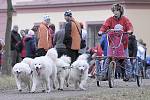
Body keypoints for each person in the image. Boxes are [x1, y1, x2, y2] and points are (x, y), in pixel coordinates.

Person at [98, 3, 134, 81]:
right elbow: (104, 26)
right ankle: (103, 75)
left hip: (123, 43)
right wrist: (101, 31)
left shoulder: (125, 19)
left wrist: (129, 31)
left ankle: (129, 75)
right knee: (108, 58)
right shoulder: (110, 19)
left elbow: (129, 26)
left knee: (126, 59)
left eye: (117, 10)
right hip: (112, 43)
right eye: (114, 10)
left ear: (120, 11)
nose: (115, 12)